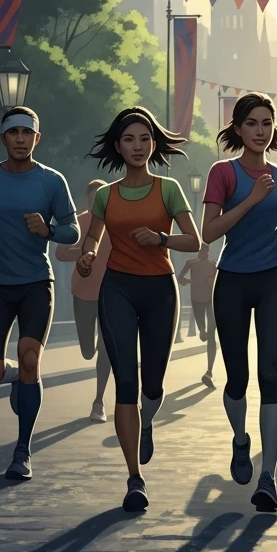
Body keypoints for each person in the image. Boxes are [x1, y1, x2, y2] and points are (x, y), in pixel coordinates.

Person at [78, 107, 199, 512]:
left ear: (153, 144)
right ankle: (134, 477)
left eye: (144, 139)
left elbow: (194, 241)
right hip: (118, 289)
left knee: (153, 385)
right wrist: (88, 256)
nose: (137, 146)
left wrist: (162, 238)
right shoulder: (104, 196)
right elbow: (93, 239)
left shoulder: (168, 189)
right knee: (125, 383)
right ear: (118, 146)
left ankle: (148, 420)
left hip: (160, 291)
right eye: (129, 140)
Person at [0, 107, 78, 480]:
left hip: (37, 283)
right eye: (14, 132)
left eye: (28, 133)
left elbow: (72, 229)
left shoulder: (51, 181)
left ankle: (22, 451)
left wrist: (48, 230)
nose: (21, 139)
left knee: (29, 358)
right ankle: (17, 380)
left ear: (37, 139)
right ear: (3, 138)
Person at [203, 93, 277, 514]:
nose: (261, 130)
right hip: (232, 281)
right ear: (238, 129)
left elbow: (275, 223)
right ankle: (241, 439)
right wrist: (248, 199)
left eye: (267, 123)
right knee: (237, 378)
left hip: (272, 281)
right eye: (252, 123)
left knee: (270, 374)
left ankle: (268, 476)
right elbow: (209, 232)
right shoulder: (222, 173)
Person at [56, 179, 112, 422]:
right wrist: (84, 251)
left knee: (106, 348)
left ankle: (98, 402)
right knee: (88, 351)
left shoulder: (117, 221)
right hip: (83, 293)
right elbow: (60, 253)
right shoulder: (79, 223)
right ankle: (90, 348)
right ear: (88, 198)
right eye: (94, 196)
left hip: (112, 294)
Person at [179, 243, 219, 388]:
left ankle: (209, 370)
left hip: (210, 301)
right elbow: (180, 278)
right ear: (199, 250)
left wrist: (210, 282)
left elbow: (218, 281)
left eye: (207, 249)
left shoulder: (214, 264)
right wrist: (191, 281)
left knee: (211, 334)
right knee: (205, 332)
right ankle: (202, 330)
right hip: (197, 301)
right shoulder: (191, 263)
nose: (205, 252)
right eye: (203, 249)